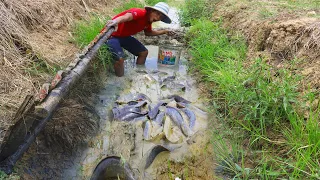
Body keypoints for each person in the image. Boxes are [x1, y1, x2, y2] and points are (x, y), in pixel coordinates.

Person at [104, 2, 174, 77]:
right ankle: (120, 79)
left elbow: (148, 33)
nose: (157, 18)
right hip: (111, 36)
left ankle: (138, 73)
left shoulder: (148, 21)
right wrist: (115, 21)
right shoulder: (140, 12)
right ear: (151, 11)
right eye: (157, 14)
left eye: (161, 17)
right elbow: (127, 17)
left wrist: (164, 31)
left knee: (143, 52)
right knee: (120, 59)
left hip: (123, 37)